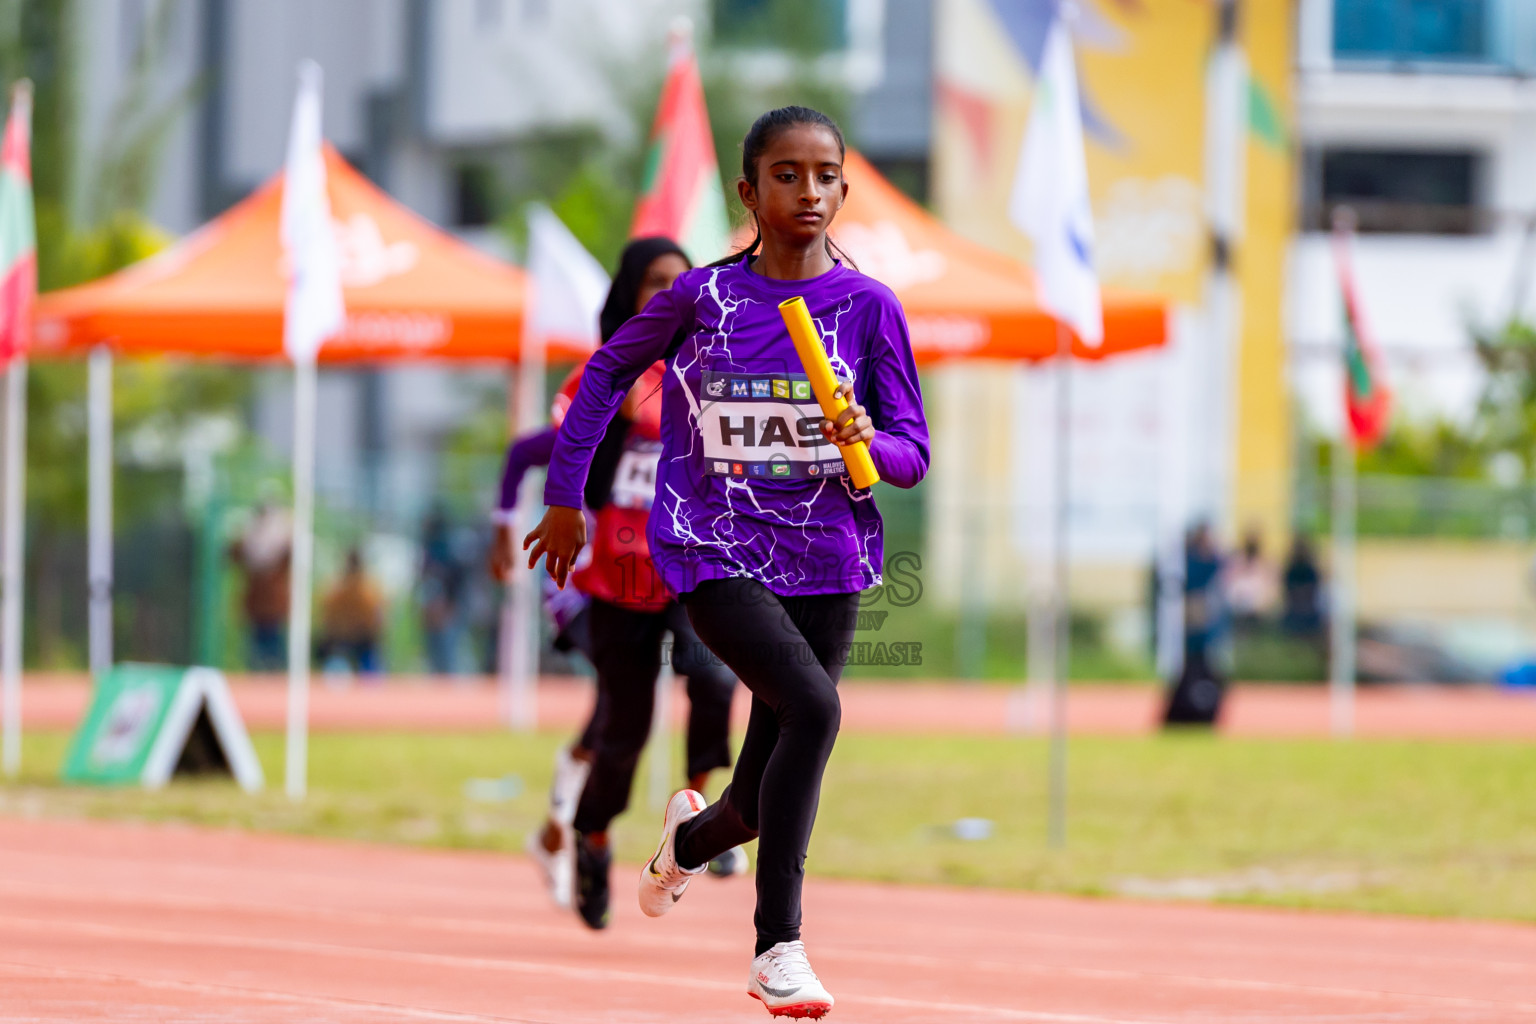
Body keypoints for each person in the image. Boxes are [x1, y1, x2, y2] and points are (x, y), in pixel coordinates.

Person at [525, 106, 929, 1018]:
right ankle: (777, 946)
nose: (810, 191)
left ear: (844, 188)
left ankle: (689, 841)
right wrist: (565, 498)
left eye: (826, 174)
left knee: (757, 787)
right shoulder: (702, 299)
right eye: (787, 174)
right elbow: (600, 377)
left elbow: (911, 454)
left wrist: (868, 436)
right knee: (817, 709)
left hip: (829, 557)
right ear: (748, 192)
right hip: (713, 549)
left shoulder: (869, 310)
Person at [490, 237, 746, 928]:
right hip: (615, 579)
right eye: (654, 283)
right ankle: (592, 836)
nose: (669, 293)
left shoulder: (707, 370)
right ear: (630, 293)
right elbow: (553, 451)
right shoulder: (597, 376)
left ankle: (700, 819)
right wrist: (617, 417)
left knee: (719, 680)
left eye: (679, 282)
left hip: (689, 573)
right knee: (620, 733)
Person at [227, 500, 292, 672]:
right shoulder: (251, 540)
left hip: (272, 608)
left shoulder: (280, 541)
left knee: (272, 652)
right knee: (258, 653)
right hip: (258, 606)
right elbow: (232, 555)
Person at [319, 547, 385, 676]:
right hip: (350, 641)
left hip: (352, 641)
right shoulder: (369, 589)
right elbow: (378, 618)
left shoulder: (338, 589)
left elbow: (327, 618)